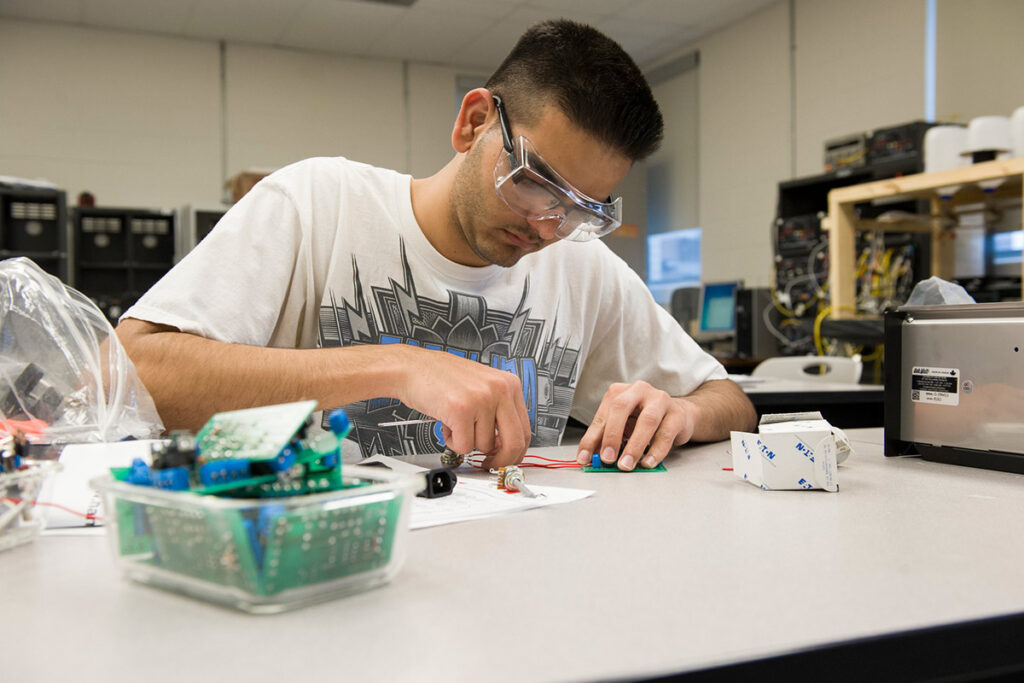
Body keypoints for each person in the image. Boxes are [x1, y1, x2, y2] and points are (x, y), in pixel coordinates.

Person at [116, 19, 756, 471]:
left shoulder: (582, 267)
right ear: (473, 122)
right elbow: (134, 371)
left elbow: (730, 400)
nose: (545, 228)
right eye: (534, 186)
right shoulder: (317, 204)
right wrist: (398, 364)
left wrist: (678, 412)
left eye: (578, 210)